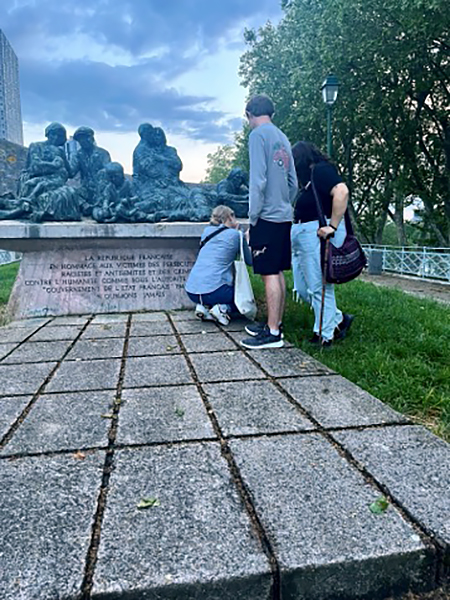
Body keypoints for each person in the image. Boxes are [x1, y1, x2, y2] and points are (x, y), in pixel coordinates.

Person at [240, 94, 298, 349]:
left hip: (266, 216)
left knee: (268, 273)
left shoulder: (258, 136)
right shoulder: (282, 137)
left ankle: (273, 333)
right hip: (283, 215)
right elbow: (293, 182)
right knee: (277, 271)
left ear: (250, 114)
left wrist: (253, 219)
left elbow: (258, 180)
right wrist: (285, 204)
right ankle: (276, 323)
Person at [291, 141, 354, 347]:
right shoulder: (308, 180)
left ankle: (324, 335)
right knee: (303, 288)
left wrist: (332, 227)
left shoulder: (320, 170)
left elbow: (342, 191)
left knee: (319, 287)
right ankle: (338, 319)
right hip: (304, 234)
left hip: (317, 233)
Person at [185, 205, 252, 325]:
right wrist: (245, 238)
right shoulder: (236, 235)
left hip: (191, 291)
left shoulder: (207, 232)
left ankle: (203, 307)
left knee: (211, 284)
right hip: (215, 291)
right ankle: (222, 308)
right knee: (244, 298)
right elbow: (249, 261)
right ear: (230, 217)